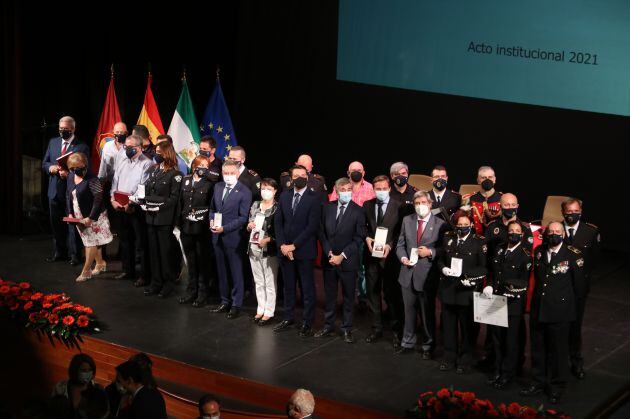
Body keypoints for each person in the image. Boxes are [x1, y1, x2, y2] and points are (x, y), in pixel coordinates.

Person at [521, 221, 585, 404]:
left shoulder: (573, 255)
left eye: (558, 232)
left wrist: (570, 311)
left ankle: (557, 386)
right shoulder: (540, 251)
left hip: (560, 311)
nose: (554, 235)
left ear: (563, 234)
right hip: (539, 308)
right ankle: (538, 381)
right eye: (551, 232)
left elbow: (579, 287)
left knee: (558, 351)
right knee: (538, 348)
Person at [396, 191, 447, 358]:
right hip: (407, 274)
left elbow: (443, 249)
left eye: (423, 202)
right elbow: (400, 244)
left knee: (427, 314)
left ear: (430, 204)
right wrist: (403, 258)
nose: (420, 206)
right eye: (417, 203)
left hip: (426, 277)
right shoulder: (407, 220)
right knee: (408, 311)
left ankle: (428, 346)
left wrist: (430, 252)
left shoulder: (439, 223)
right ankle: (407, 342)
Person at [315, 177, 366, 343]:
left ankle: (346, 328)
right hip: (329, 260)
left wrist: (341, 256)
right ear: (336, 192)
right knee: (329, 296)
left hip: (348, 262)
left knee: (348, 297)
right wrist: (329, 252)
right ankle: (328, 326)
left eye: (348, 190)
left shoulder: (358, 211)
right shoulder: (326, 208)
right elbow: (321, 232)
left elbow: (358, 238)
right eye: (342, 190)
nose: (345, 193)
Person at [274, 165, 322, 337]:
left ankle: (307, 322)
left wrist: (294, 246)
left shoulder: (314, 198)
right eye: (296, 175)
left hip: (303, 250)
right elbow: (278, 222)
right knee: (288, 287)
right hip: (285, 250)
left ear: (307, 177)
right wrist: (282, 245)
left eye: (303, 175)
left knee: (307, 288)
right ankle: (288, 317)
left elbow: (312, 227)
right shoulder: (285, 195)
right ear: (291, 178)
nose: (300, 178)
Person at [437, 210, 487, 372]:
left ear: (471, 225)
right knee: (449, 327)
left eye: (466, 225)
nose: (462, 228)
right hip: (449, 289)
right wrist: (443, 269)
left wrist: (471, 278)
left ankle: (466, 359)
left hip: (468, 292)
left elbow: (483, 267)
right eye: (460, 225)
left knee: (468, 328)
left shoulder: (479, 242)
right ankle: (449, 357)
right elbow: (440, 260)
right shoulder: (448, 239)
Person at [485, 221, 532, 389]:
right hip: (496, 300)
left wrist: (510, 291)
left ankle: (508, 373)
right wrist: (489, 285)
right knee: (497, 339)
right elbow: (493, 272)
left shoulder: (525, 254)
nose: (513, 233)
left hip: (513, 302)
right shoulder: (499, 249)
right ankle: (497, 370)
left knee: (511, 341)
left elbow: (523, 281)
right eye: (511, 230)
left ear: (522, 234)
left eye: (517, 231)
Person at [43, 115, 90, 266]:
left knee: (73, 224)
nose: (63, 131)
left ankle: (75, 255)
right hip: (54, 191)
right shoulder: (53, 142)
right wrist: (51, 167)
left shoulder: (82, 146)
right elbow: (45, 163)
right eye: (60, 129)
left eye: (66, 129)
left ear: (73, 129)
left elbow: (85, 169)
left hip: (72, 192)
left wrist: (68, 173)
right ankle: (59, 252)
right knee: (56, 224)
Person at [562, 197, 600, 380]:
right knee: (558, 327)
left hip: (578, 288)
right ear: (563, 213)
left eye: (575, 211)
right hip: (558, 288)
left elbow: (593, 261)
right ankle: (558, 363)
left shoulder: (590, 232)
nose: (572, 215)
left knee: (575, 327)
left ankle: (576, 362)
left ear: (581, 212)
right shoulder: (556, 229)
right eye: (568, 212)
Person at [363, 176, 404, 347]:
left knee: (391, 295)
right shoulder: (368, 205)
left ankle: (396, 331)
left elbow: (401, 232)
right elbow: (363, 226)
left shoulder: (399, 206)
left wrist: (389, 245)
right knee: (372, 294)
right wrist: (366, 238)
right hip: (372, 256)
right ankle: (376, 329)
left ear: (389, 188)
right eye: (377, 188)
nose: (380, 191)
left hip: (390, 258)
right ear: (373, 189)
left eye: (383, 188)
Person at [209, 159, 252, 319]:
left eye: (231, 173)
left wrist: (225, 228)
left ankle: (236, 304)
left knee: (236, 272)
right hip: (217, 237)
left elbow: (243, 218)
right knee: (222, 271)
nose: (228, 176)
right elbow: (213, 209)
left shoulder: (244, 192)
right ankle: (224, 300)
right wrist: (212, 221)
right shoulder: (218, 187)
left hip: (234, 238)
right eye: (225, 173)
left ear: (237, 173)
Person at [141, 141, 183, 298]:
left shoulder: (175, 174)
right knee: (154, 252)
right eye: (155, 151)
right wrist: (141, 199)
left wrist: (158, 206)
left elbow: (173, 198)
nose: (156, 154)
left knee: (165, 253)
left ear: (167, 153)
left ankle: (168, 284)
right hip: (151, 217)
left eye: (159, 152)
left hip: (164, 219)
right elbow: (147, 189)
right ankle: (156, 282)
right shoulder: (153, 171)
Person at [110, 134, 154, 285]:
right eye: (125, 147)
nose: (127, 150)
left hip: (136, 209)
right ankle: (127, 270)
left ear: (139, 148)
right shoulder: (122, 161)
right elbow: (115, 182)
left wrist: (131, 204)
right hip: (120, 207)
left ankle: (144, 275)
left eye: (130, 147)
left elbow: (143, 187)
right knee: (124, 240)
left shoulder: (147, 164)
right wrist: (112, 199)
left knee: (141, 243)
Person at [65, 152, 113, 282]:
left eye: (79, 167)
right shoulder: (70, 176)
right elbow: (68, 195)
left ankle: (86, 271)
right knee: (91, 240)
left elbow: (98, 199)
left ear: (85, 165)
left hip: (95, 215)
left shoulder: (92, 179)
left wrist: (91, 217)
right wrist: (70, 213)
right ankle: (100, 263)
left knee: (90, 242)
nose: (76, 171)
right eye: (73, 169)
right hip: (79, 214)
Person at [178, 155, 216, 307]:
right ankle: (191, 291)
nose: (203, 169)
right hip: (186, 227)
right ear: (194, 166)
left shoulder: (210, 184)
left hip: (201, 228)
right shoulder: (186, 180)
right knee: (191, 261)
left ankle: (202, 293)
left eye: (206, 166)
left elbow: (212, 206)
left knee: (202, 261)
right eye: (201, 166)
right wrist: (179, 223)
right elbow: (181, 203)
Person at [246, 178, 279, 326]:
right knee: (258, 281)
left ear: (275, 191)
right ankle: (260, 307)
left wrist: (269, 239)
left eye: (269, 189)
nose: (266, 191)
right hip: (253, 247)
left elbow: (279, 231)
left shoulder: (278, 208)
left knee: (270, 281)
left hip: (268, 249)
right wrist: (249, 225)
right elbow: (249, 223)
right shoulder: (255, 205)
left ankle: (269, 311)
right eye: (264, 188)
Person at [467, 166, 502, 235]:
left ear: (494, 179)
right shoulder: (471, 199)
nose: (487, 180)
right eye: (483, 178)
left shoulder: (502, 198)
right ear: (478, 180)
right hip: (476, 239)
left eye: (490, 177)